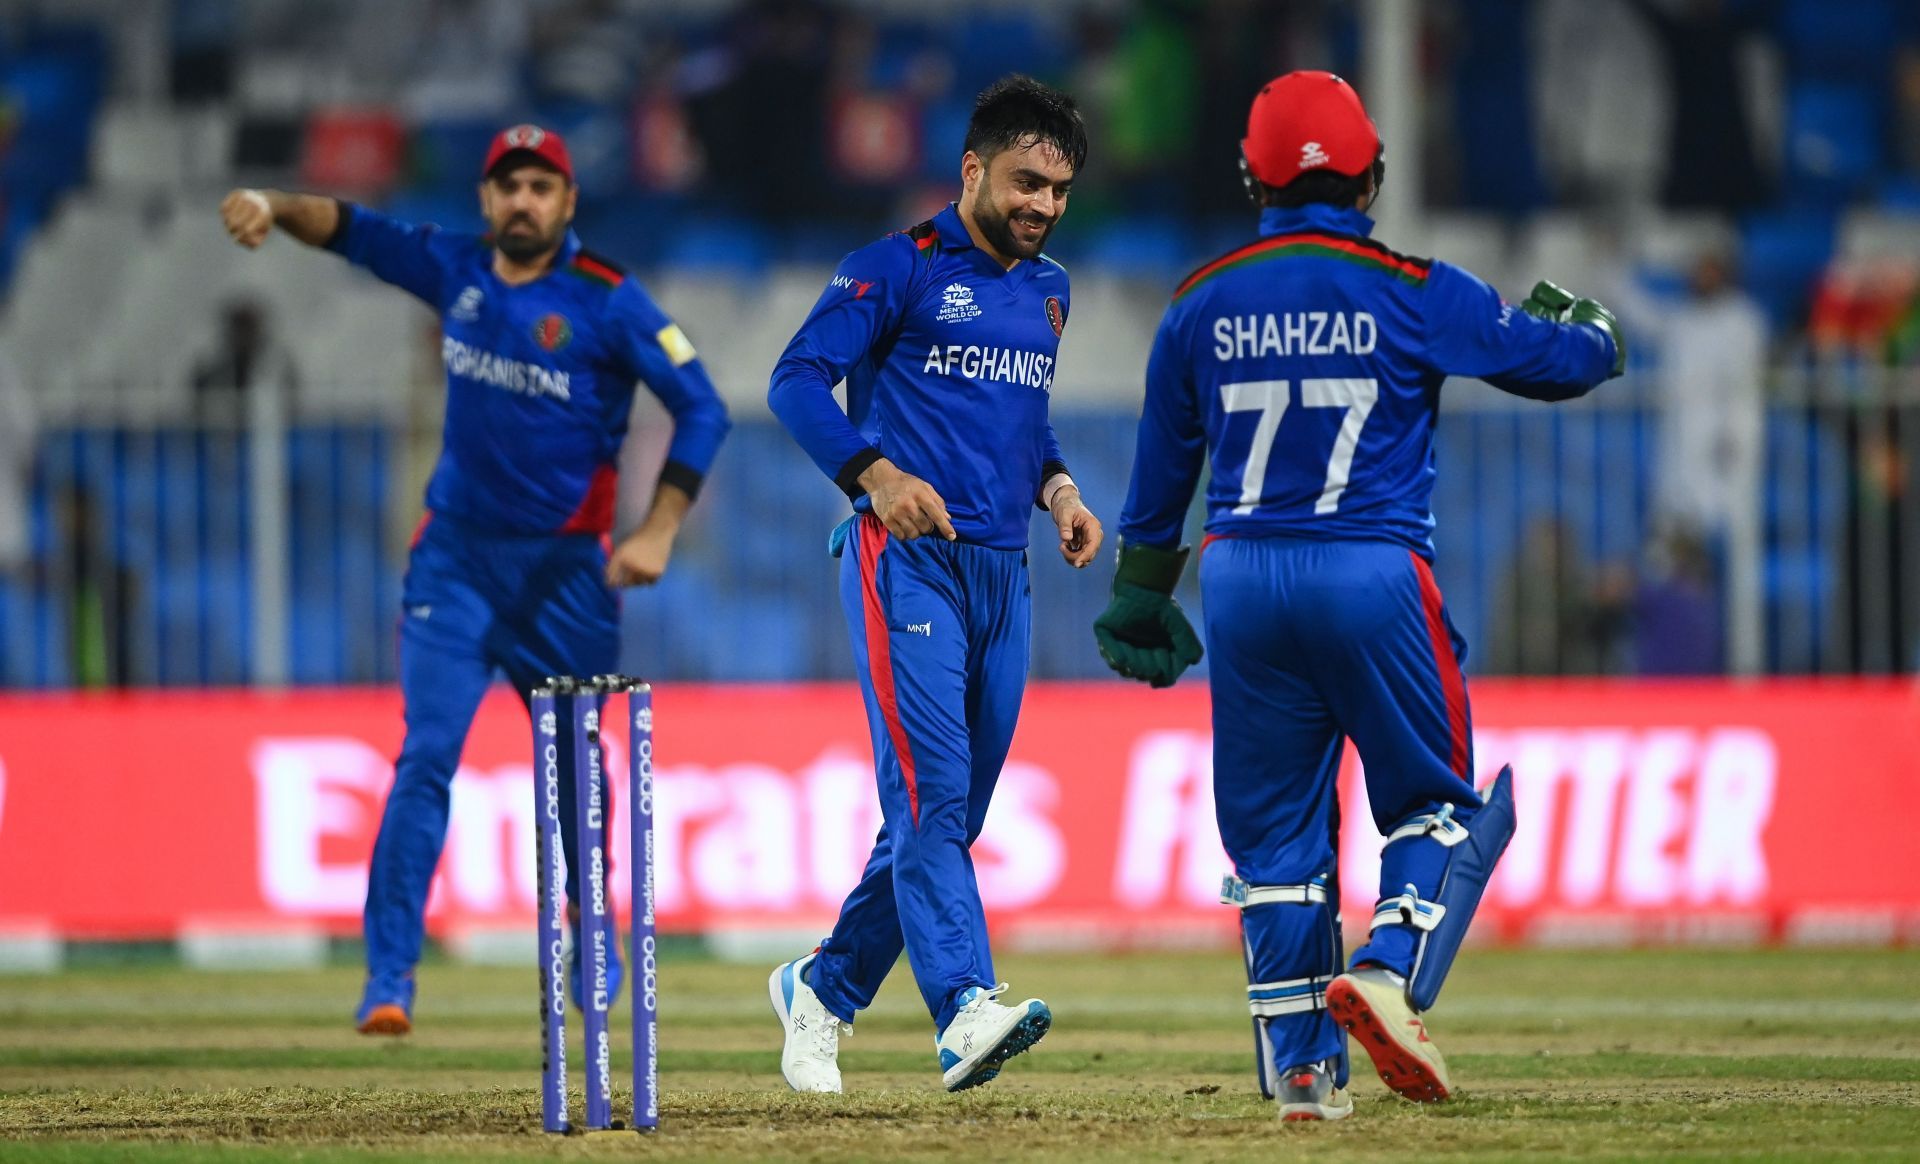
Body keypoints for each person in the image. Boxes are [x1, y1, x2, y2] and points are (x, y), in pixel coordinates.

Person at [1095, 72, 1623, 1120]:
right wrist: (1596, 328)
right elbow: (1563, 364)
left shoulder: (1197, 303)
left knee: (1278, 846)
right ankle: (1388, 970)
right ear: (1373, 171)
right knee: (1434, 802)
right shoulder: (1414, 286)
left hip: (1242, 577)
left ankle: (1300, 1075)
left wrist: (1140, 599)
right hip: (1371, 569)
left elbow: (1158, 491)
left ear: (1250, 175)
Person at [219, 124, 730, 1035]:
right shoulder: (456, 270)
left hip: (566, 576)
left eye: (541, 187)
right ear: (486, 201)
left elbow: (702, 408)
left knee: (579, 775)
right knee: (424, 757)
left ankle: (594, 937)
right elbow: (350, 228)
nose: (523, 201)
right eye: (508, 187)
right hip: (453, 564)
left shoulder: (610, 301)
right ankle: (389, 979)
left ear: (568, 203)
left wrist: (656, 529)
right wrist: (270, 203)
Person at [764, 76, 1102, 1095]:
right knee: (931, 795)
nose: (1044, 205)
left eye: (1060, 189)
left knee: (945, 815)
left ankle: (821, 990)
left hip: (1005, 571)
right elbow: (793, 378)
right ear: (971, 170)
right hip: (902, 560)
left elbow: (1020, 415)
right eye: (1026, 181)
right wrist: (874, 474)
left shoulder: (1053, 291)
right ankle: (964, 1008)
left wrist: (1060, 487)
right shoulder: (895, 269)